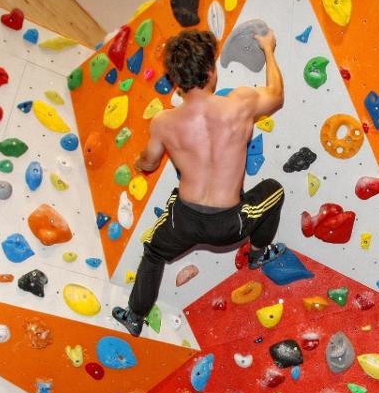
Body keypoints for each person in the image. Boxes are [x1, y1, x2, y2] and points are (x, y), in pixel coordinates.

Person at [112, 27, 286, 337]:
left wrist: (137, 163)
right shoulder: (240, 104)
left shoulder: (164, 122)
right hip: (230, 224)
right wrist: (269, 50)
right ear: (210, 70)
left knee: (153, 251)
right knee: (274, 190)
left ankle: (134, 316)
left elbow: (148, 163)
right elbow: (276, 95)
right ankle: (258, 253)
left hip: (185, 220)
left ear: (176, 81)